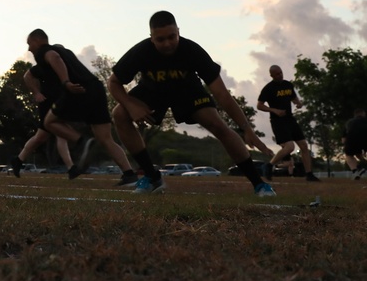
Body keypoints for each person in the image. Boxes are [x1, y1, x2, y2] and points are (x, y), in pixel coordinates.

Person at [107, 11, 277, 196]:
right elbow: (113, 82)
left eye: (172, 37)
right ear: (151, 38)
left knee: (217, 124)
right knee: (119, 114)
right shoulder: (140, 52)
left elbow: (222, 94)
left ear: (178, 31)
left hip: (188, 91)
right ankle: (152, 177)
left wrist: (246, 129)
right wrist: (131, 105)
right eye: (160, 39)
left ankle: (259, 184)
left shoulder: (192, 51)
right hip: (152, 91)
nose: (167, 44)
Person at [26, 29, 139, 187]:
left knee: (49, 122)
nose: (29, 49)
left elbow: (54, 57)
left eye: (29, 44)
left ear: (38, 41)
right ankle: (129, 174)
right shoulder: (67, 51)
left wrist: (66, 83)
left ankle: (81, 142)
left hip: (77, 90)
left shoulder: (44, 51)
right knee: (106, 138)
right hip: (96, 88)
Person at [256, 65, 321, 182]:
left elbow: (294, 98)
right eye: (277, 74)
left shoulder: (288, 85)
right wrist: (274, 110)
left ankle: (309, 174)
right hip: (278, 121)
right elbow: (259, 105)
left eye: (281, 73)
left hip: (290, 119)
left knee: (304, 146)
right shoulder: (268, 88)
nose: (280, 75)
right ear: (271, 75)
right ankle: (269, 165)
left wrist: (298, 103)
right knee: (290, 147)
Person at [12, 64, 76, 178]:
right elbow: (27, 76)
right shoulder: (46, 65)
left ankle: (18, 160)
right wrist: (36, 92)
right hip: (48, 104)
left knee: (40, 137)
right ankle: (71, 167)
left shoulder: (65, 68)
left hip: (59, 103)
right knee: (60, 133)